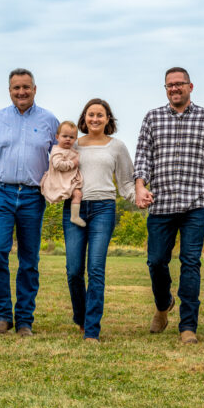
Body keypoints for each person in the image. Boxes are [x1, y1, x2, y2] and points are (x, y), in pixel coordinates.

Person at [134, 66, 204, 345]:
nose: (174, 88)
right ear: (165, 89)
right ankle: (163, 303)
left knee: (190, 263)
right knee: (156, 261)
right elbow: (142, 157)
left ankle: (188, 326)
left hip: (195, 203)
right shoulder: (152, 118)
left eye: (180, 84)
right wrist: (141, 186)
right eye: (169, 85)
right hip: (162, 203)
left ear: (191, 87)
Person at [0, 69, 58, 336]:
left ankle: (24, 320)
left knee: (29, 259)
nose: (21, 92)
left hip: (33, 195)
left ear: (35, 88)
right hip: (0, 192)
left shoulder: (50, 121)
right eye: (16, 88)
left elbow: (62, 157)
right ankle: (1, 316)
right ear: (9, 90)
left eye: (26, 87)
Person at [63, 98, 136, 342]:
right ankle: (81, 317)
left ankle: (92, 329)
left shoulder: (117, 147)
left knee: (96, 269)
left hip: (104, 208)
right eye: (91, 115)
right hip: (74, 208)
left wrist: (140, 198)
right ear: (84, 118)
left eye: (100, 115)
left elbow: (126, 182)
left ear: (108, 119)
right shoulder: (73, 145)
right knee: (74, 270)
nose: (95, 119)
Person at [40, 120, 86, 227]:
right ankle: (74, 217)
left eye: (71, 137)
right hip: (60, 179)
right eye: (64, 136)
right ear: (57, 137)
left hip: (68, 178)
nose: (68, 139)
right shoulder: (57, 150)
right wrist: (73, 163)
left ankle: (74, 215)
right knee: (77, 194)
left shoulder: (71, 150)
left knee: (78, 194)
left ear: (75, 139)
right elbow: (58, 164)